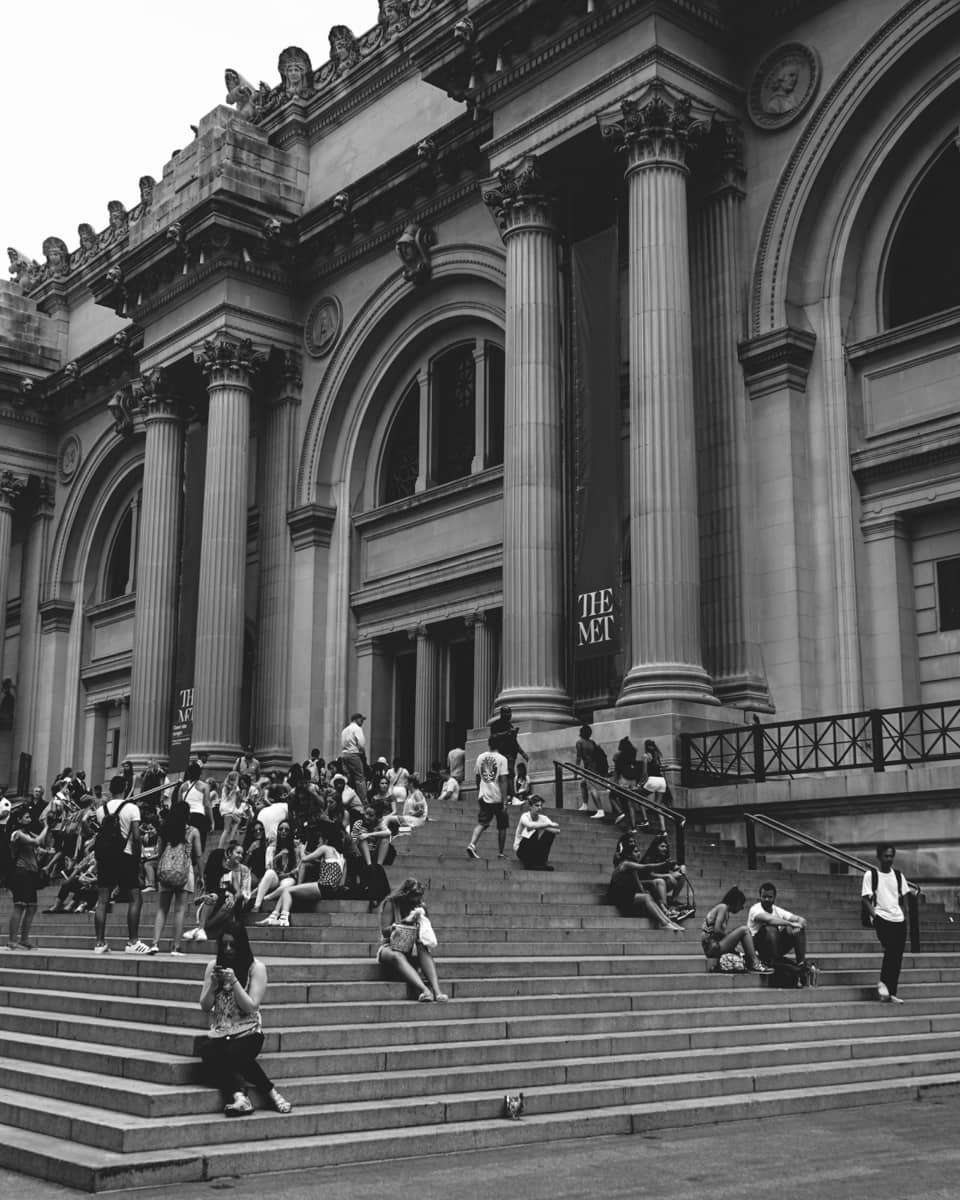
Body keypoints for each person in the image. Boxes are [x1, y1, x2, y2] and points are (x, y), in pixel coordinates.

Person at [197, 922, 292, 1116]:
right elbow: (205, 1006)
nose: (228, 949)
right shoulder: (212, 967)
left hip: (249, 1031)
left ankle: (271, 1092)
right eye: (224, 945)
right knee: (208, 1052)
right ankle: (240, 1097)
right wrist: (213, 987)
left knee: (234, 1054)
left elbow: (251, 1005)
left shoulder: (256, 968)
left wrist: (234, 982)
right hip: (222, 1031)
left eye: (232, 944)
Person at [93, 775, 148, 954]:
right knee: (135, 898)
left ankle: (100, 943)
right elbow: (137, 837)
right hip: (126, 856)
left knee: (102, 900)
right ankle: (132, 941)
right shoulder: (132, 808)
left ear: (111, 789)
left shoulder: (101, 810)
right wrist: (138, 860)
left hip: (105, 858)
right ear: (125, 787)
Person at [862, 843, 919, 1004]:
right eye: (886, 856)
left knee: (897, 956)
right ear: (879, 857)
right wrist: (875, 916)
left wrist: (904, 914)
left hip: (898, 920)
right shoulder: (871, 875)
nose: (889, 859)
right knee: (891, 950)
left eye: (891, 856)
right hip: (882, 918)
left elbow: (905, 895)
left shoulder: (899, 875)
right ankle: (883, 984)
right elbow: (865, 898)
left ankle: (891, 991)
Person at [376, 877, 448, 1002]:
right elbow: (384, 931)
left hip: (412, 947)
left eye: (419, 897)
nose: (417, 901)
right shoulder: (391, 903)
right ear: (406, 895)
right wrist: (402, 923)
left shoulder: (421, 906)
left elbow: (425, 932)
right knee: (396, 956)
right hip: (390, 946)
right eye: (414, 897)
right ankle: (425, 990)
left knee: (422, 947)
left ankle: (437, 991)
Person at [148, 799, 202, 955]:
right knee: (179, 910)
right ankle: (175, 947)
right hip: (184, 871)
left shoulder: (165, 829)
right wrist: (201, 874)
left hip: (166, 869)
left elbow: (159, 852)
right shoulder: (193, 831)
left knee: (162, 909)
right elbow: (198, 855)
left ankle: (155, 943)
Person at [263, 827, 346, 926]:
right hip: (331, 891)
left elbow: (304, 859)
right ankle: (273, 917)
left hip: (323, 886)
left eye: (319, 842)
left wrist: (302, 848)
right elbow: (342, 883)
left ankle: (283, 919)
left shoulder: (325, 848)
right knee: (290, 891)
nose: (318, 845)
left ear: (326, 841)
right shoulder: (342, 858)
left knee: (287, 890)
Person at [607, 832, 684, 931]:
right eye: (635, 851)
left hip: (626, 894)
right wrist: (664, 864)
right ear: (629, 854)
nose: (639, 853)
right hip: (618, 897)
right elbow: (645, 867)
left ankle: (669, 921)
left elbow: (637, 882)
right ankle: (664, 923)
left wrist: (644, 891)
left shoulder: (631, 867)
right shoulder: (626, 864)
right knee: (646, 897)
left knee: (647, 895)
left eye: (638, 851)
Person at [747, 883, 817, 986]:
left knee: (796, 930)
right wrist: (790, 923)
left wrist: (799, 923)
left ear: (774, 897)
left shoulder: (777, 910)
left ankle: (801, 963)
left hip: (775, 946)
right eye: (764, 897)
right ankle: (775, 962)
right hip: (759, 947)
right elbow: (769, 920)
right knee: (770, 928)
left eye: (769, 897)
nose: (766, 899)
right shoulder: (755, 909)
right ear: (760, 897)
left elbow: (800, 919)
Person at [5, 805, 50, 949]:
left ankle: (24, 939)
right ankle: (12, 940)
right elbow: (36, 842)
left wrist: (43, 852)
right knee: (19, 905)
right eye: (26, 817)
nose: (29, 819)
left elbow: (40, 844)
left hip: (30, 873)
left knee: (31, 907)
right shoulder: (17, 833)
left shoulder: (28, 832)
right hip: (20, 872)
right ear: (19, 819)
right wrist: (47, 826)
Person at [701, 887, 772, 973]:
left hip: (712, 945)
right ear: (736, 902)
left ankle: (752, 961)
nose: (741, 908)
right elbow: (717, 930)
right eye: (741, 905)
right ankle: (756, 963)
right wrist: (731, 938)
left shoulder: (724, 910)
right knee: (744, 930)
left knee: (741, 935)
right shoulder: (722, 907)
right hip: (712, 946)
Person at [467, 736, 509, 861]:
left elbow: (477, 777)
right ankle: (501, 853)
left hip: (484, 796)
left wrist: (479, 790)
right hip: (497, 797)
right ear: (500, 745)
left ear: (488, 744)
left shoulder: (480, 757)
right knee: (502, 826)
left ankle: (472, 844)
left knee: (482, 822)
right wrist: (505, 800)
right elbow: (503, 780)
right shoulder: (502, 759)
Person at [489, 706, 528, 800]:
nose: (509, 715)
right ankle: (504, 794)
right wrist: (507, 733)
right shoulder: (496, 724)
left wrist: (522, 753)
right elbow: (493, 737)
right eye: (507, 713)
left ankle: (511, 794)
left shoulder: (510, 725)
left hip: (511, 754)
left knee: (511, 774)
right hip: (501, 753)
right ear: (502, 714)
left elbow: (514, 742)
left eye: (510, 713)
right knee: (502, 774)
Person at [513, 795, 559, 871]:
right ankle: (528, 864)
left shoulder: (543, 818)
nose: (539, 808)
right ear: (530, 807)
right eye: (537, 805)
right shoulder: (525, 816)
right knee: (534, 828)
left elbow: (557, 830)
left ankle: (542, 863)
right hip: (521, 849)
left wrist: (545, 826)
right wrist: (545, 825)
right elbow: (529, 825)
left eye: (541, 806)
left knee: (549, 833)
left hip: (535, 848)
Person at [575, 724, 608, 819]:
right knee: (583, 783)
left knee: (592, 787)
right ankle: (585, 804)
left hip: (589, 768)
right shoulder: (592, 742)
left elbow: (578, 757)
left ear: (581, 733)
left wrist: (576, 771)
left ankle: (600, 810)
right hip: (595, 767)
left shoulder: (579, 742)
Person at [180, 761, 213, 851]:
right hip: (199, 817)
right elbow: (207, 805)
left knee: (185, 845)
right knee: (199, 845)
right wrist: (212, 821)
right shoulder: (204, 786)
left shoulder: (182, 786)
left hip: (185, 817)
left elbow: (179, 804)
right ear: (200, 773)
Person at [340, 712, 368, 801]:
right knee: (360, 779)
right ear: (357, 719)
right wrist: (363, 755)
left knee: (348, 779)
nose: (362, 722)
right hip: (354, 754)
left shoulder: (344, 730)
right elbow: (361, 744)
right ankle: (363, 801)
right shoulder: (357, 728)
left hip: (344, 755)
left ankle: (347, 798)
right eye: (362, 720)